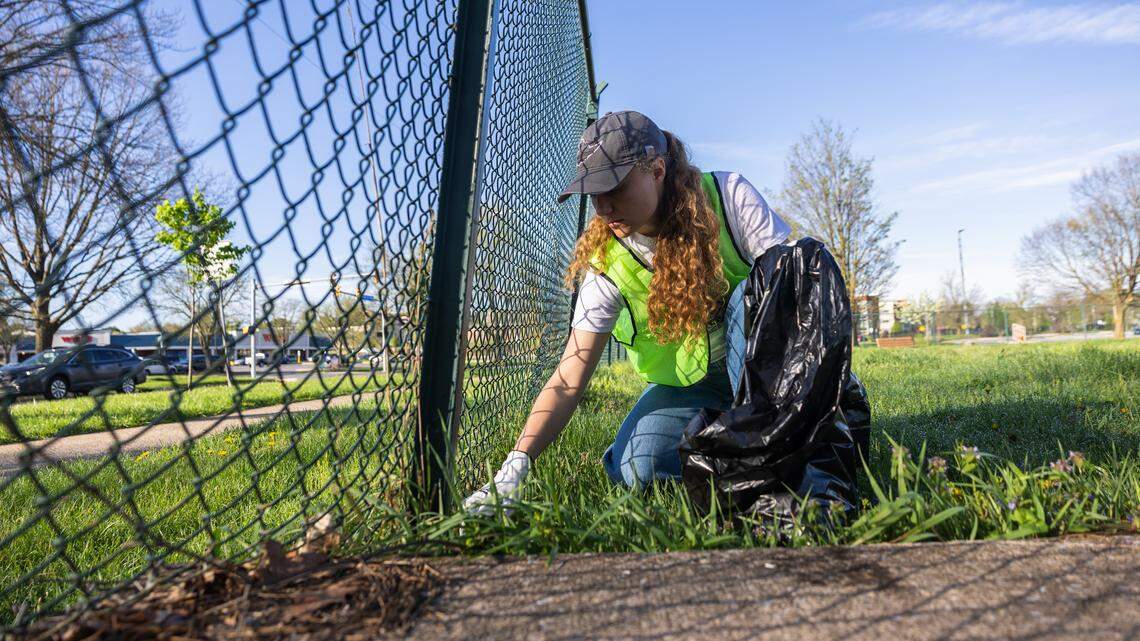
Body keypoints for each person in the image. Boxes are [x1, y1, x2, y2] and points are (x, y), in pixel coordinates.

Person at [463, 110, 792, 515]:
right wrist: (515, 466)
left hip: (764, 369)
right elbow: (570, 375)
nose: (602, 207)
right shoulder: (607, 263)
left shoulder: (728, 197)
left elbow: (793, 296)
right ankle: (724, 437)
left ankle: (776, 436)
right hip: (695, 386)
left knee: (755, 293)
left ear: (656, 170)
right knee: (638, 470)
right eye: (593, 193)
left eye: (613, 187)